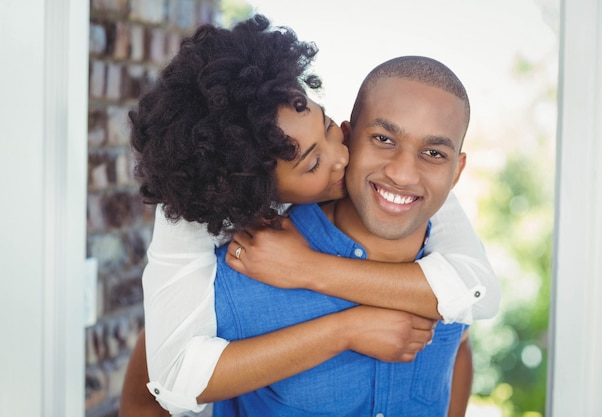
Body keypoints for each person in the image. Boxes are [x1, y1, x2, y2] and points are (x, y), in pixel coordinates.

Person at [122, 15, 499, 417]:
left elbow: (466, 322)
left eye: (327, 127)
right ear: (259, 186)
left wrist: (310, 269)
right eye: (312, 162)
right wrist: (344, 330)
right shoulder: (228, 274)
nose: (341, 156)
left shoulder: (438, 244)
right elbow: (162, 385)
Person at [210, 54, 475, 416]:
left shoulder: (457, 271)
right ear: (348, 139)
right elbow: (156, 392)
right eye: (384, 138)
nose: (403, 174)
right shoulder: (246, 265)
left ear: (456, 171)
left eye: (433, 152)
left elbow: (459, 347)